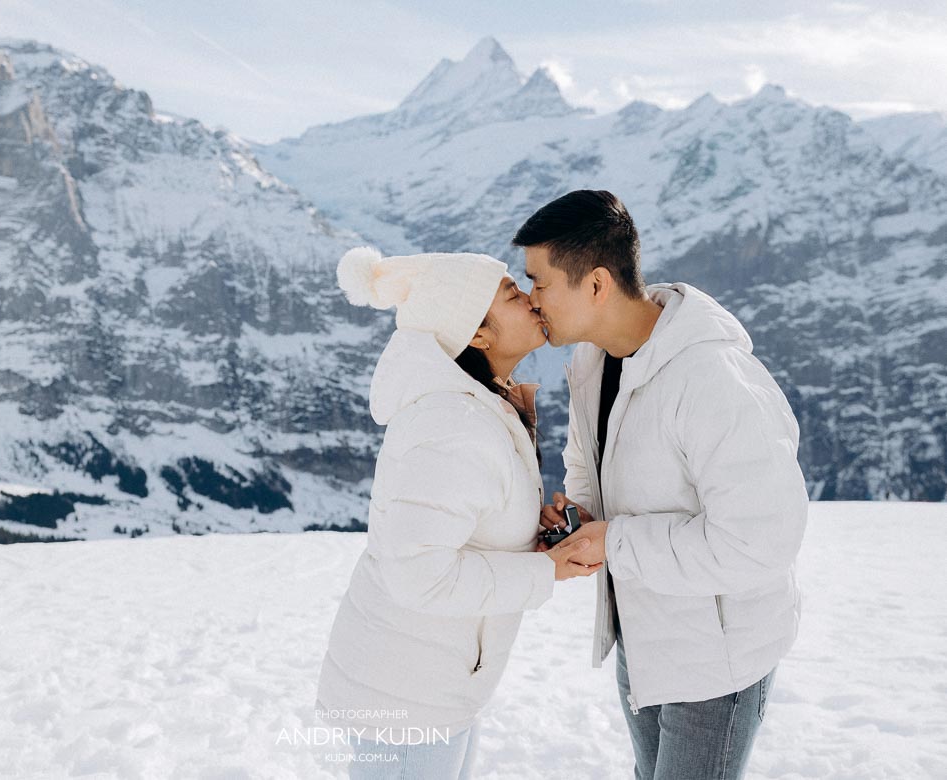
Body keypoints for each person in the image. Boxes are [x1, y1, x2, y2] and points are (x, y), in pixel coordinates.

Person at [517, 190, 808, 780]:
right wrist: (578, 517)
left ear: (596, 284)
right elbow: (588, 464)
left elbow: (760, 542)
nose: (530, 299)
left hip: (716, 661)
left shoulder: (710, 378)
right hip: (646, 637)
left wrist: (613, 543)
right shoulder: (590, 363)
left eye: (539, 282)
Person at [316, 246, 601, 779]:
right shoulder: (451, 426)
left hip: (429, 682)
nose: (531, 298)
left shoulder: (478, 406)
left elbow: (458, 523)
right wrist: (545, 570)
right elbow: (419, 574)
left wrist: (528, 531)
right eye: (511, 295)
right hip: (405, 696)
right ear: (477, 333)